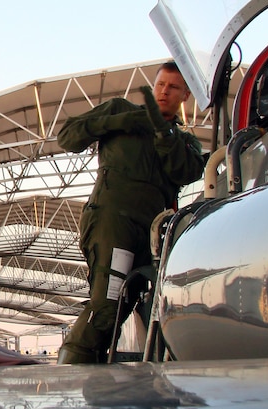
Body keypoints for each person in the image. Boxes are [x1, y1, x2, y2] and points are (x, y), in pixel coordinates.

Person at [56, 61, 205, 364]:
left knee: (123, 306)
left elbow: (186, 171)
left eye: (173, 87)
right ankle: (70, 375)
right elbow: (68, 137)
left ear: (185, 96)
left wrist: (163, 132)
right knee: (107, 304)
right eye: (160, 84)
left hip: (150, 236)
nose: (164, 91)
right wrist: (123, 121)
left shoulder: (185, 142)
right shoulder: (119, 110)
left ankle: (94, 375)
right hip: (114, 224)